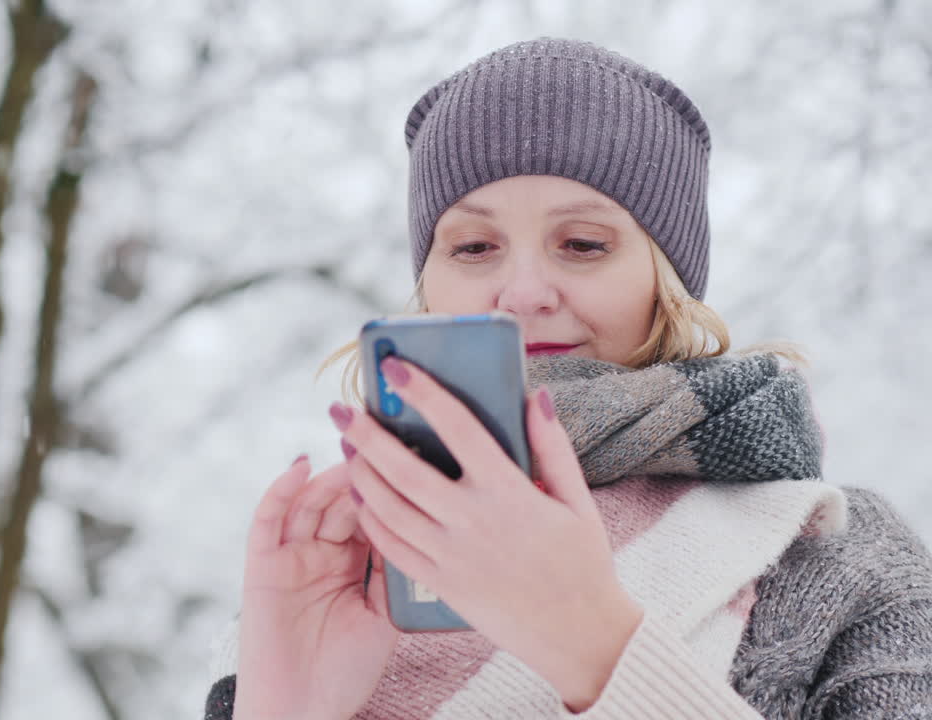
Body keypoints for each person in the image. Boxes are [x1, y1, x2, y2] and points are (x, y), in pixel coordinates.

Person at [202, 37, 932, 719]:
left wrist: (593, 645)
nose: (523, 291)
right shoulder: (337, 564)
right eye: (474, 245)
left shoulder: (837, 553)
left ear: (665, 278)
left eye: (582, 244)